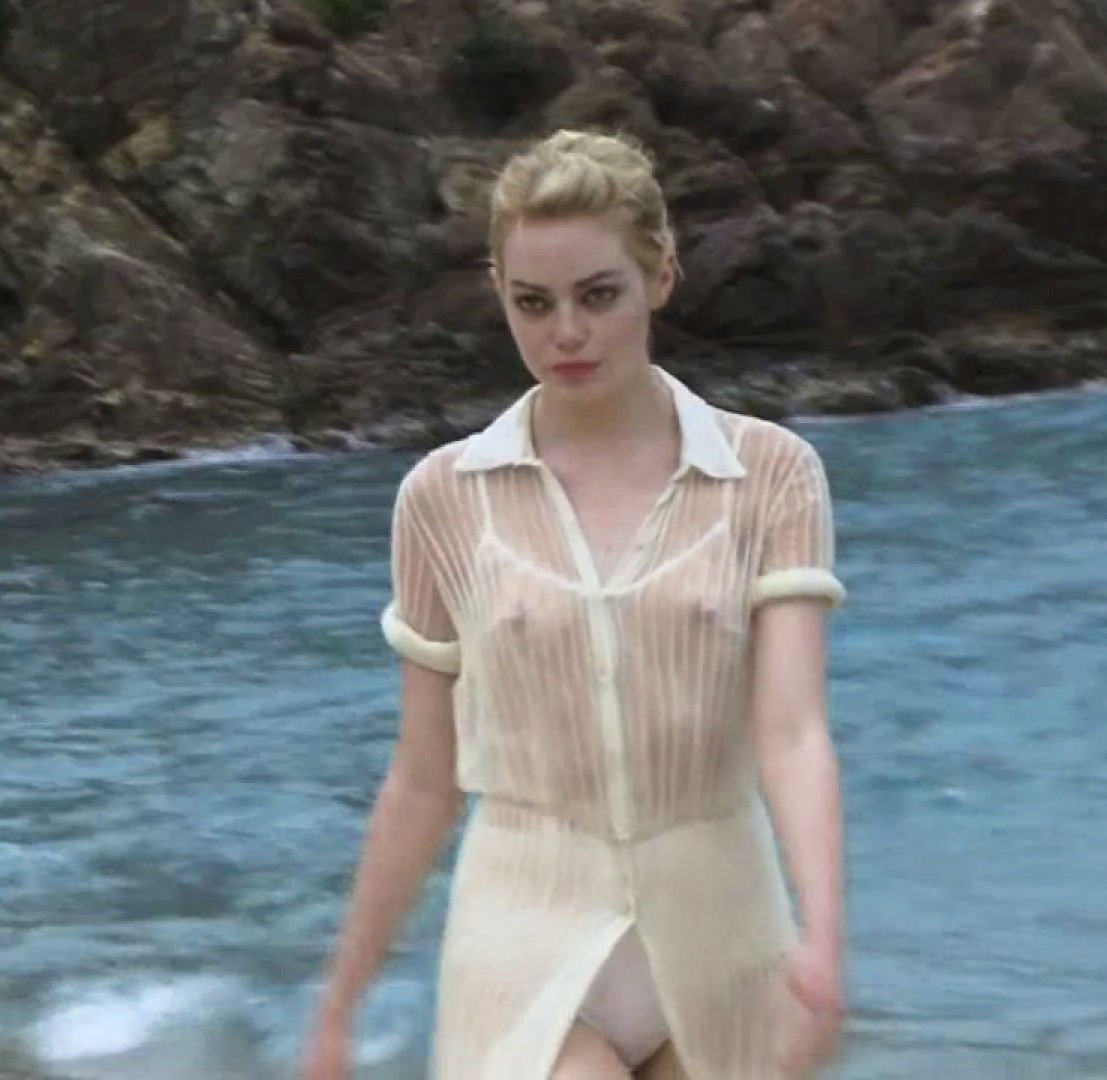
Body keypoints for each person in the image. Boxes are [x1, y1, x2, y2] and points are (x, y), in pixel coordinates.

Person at [299, 129, 849, 1079]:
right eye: (533, 302)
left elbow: (792, 732)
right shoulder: (442, 497)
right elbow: (425, 780)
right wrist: (339, 1010)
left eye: (598, 296)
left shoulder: (772, 474)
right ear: (500, 295)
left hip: (726, 930)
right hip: (522, 933)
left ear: (661, 276)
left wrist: (826, 940)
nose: (566, 333)